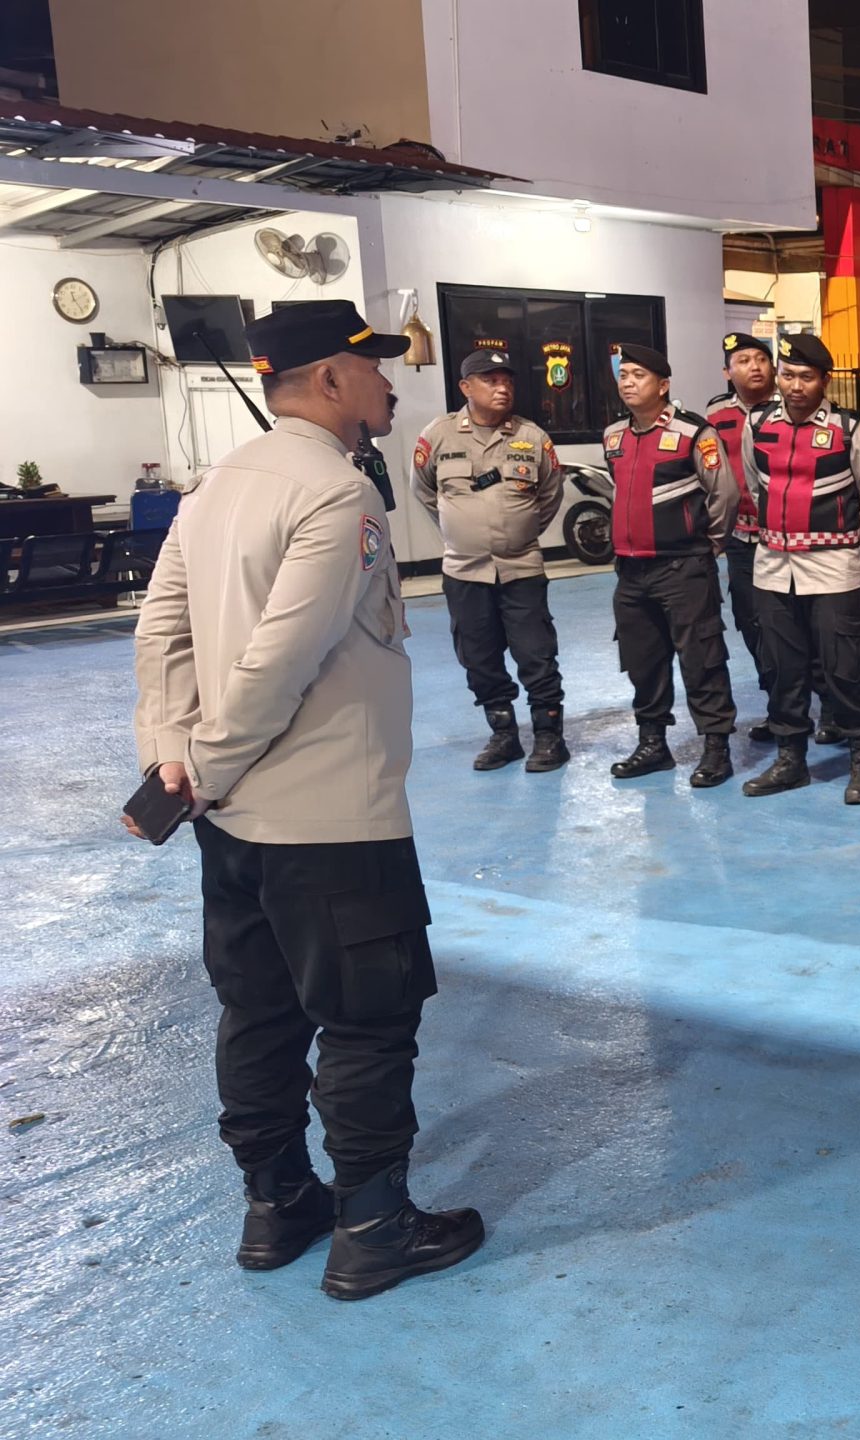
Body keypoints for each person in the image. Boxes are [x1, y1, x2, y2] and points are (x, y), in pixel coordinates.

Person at [129, 299, 482, 1300]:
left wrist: (173, 762)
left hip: (230, 825)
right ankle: (373, 1228)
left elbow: (162, 634)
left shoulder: (214, 487)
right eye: (373, 366)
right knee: (368, 1019)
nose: (390, 382)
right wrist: (210, 764)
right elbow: (281, 662)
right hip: (331, 819)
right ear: (329, 379)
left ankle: (277, 1204)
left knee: (260, 1009)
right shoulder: (337, 494)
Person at [734, 334, 860, 803]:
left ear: (825, 380)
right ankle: (790, 760)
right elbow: (756, 488)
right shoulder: (757, 423)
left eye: (806, 377)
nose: (795, 386)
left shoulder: (851, 429)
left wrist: (857, 561)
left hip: (834, 568)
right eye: (788, 375)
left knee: (844, 668)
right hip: (773, 568)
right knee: (783, 669)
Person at [410, 348, 567, 774]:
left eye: (507, 380)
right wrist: (460, 530)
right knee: (479, 658)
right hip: (464, 571)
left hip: (521, 568)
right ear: (466, 387)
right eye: (491, 380)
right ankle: (503, 736)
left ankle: (549, 736)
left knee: (536, 655)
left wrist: (519, 530)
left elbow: (550, 495)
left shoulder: (532, 437)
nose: (502, 388)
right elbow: (424, 491)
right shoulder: (438, 435)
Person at [601, 344, 739, 787]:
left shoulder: (694, 433)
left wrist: (707, 544)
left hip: (684, 569)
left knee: (702, 658)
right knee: (642, 661)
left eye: (638, 375)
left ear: (663, 385)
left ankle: (716, 747)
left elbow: (724, 495)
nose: (628, 382)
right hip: (630, 572)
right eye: (624, 375)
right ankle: (653, 744)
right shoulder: (614, 436)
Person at [701, 332, 783, 740]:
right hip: (741, 540)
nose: (754, 367)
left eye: (761, 359)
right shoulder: (715, 417)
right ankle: (779, 707)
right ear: (727, 372)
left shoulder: (790, 410)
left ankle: (829, 708)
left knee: (796, 624)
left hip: (785, 538)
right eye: (744, 360)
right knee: (751, 624)